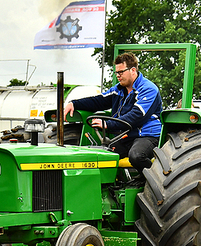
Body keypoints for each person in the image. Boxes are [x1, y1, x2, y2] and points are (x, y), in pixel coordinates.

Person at [63, 52, 162, 180]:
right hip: (126, 135)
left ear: (133, 70)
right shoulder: (119, 89)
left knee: (136, 156)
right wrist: (74, 104)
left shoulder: (148, 89)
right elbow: (99, 101)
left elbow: (135, 116)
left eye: (121, 72)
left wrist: (108, 124)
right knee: (103, 156)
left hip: (147, 135)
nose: (118, 76)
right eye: (116, 73)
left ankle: (155, 183)